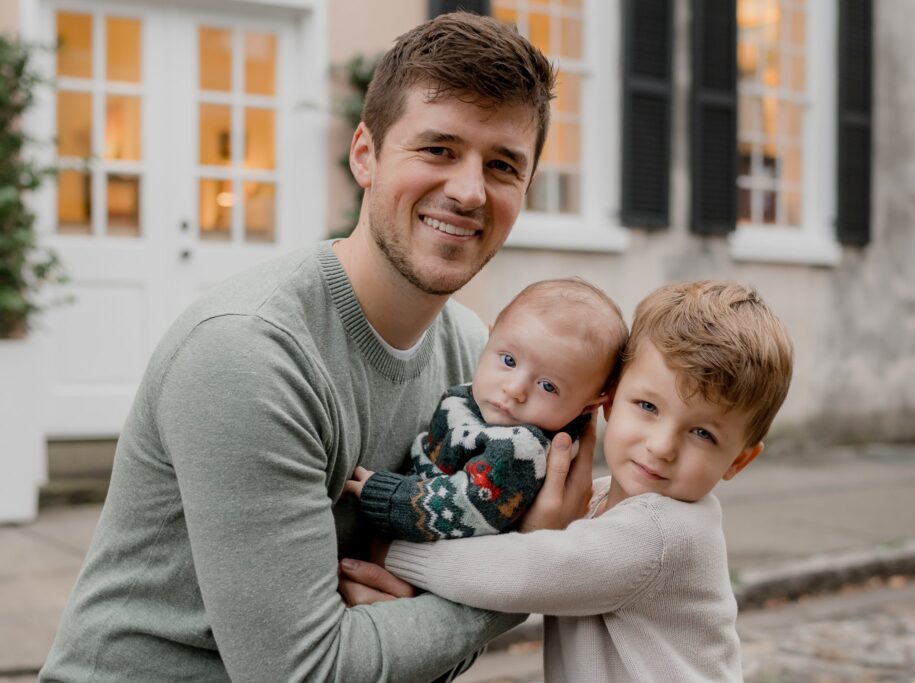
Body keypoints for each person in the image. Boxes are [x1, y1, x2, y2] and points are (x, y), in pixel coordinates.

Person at [41, 13, 591, 682]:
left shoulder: (484, 365)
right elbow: (302, 673)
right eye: (438, 149)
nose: (470, 190)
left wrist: (422, 620)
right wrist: (525, 570)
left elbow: (414, 642)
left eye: (502, 165)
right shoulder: (250, 354)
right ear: (365, 153)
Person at [355, 281, 794, 682]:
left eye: (702, 433)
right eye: (647, 406)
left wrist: (394, 549)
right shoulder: (599, 498)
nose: (661, 446)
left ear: (739, 460)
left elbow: (519, 575)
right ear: (608, 400)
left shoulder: (662, 533)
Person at [345, 278, 628, 541]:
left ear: (588, 407)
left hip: (440, 543)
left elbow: (467, 507)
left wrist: (386, 495)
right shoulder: (480, 398)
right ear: (488, 340)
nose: (515, 389)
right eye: (508, 360)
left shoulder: (521, 449)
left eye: (548, 386)